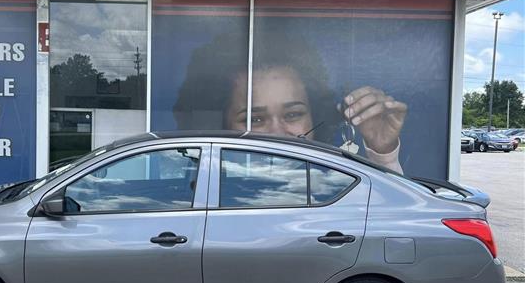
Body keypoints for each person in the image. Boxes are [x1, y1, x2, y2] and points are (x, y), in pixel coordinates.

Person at [173, 32, 407, 173]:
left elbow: (395, 229)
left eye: (293, 114)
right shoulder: (199, 196)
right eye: (255, 119)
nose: (277, 133)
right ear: (222, 125)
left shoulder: (337, 190)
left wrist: (383, 154)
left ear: (315, 115)